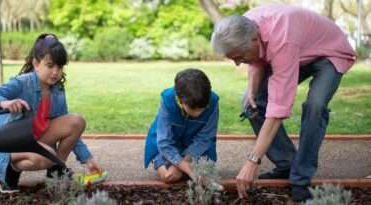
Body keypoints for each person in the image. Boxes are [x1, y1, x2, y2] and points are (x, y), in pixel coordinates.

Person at [211, 4, 356, 202]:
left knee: (315, 106)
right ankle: (287, 164)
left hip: (329, 53)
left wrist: (252, 161)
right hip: (298, 50)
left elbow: (278, 110)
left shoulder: (282, 37)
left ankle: (301, 178)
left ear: (254, 39)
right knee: (250, 103)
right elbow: (256, 57)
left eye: (238, 57)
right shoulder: (243, 26)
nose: (237, 63)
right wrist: (252, 90)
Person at [0, 33, 103, 193]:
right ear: (36, 64)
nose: (55, 72)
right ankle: (9, 170)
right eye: (50, 65)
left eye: (59, 67)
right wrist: (5, 102)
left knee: (76, 121)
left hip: (36, 138)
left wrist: (87, 159)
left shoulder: (58, 90)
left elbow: (68, 127)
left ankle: (57, 170)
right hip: (8, 142)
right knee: (46, 156)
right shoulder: (22, 83)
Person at [144, 68, 220, 183]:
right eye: (192, 109)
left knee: (198, 174)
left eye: (202, 108)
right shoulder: (167, 99)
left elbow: (205, 139)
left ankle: (180, 166)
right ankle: (162, 162)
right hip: (167, 143)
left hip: (197, 146)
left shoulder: (213, 102)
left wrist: (180, 164)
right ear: (180, 100)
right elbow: (164, 142)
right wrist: (185, 167)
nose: (198, 113)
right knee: (167, 177)